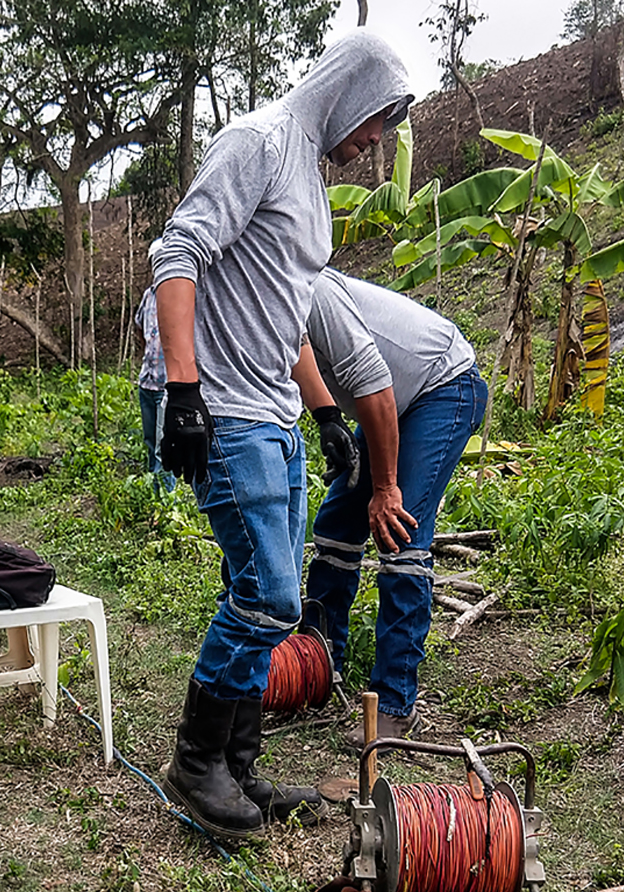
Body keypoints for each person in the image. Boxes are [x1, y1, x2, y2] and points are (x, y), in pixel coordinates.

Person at [150, 30, 412, 838]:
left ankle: (240, 765)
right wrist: (184, 391)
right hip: (225, 407)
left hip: (278, 411)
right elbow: (176, 254)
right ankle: (196, 764)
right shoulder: (258, 142)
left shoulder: (307, 172)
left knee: (261, 592)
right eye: (375, 122)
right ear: (347, 93)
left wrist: (327, 410)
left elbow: (286, 310)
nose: (374, 144)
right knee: (270, 596)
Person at [301, 270, 486, 745]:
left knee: (399, 531)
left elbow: (376, 388)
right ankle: (320, 667)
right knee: (336, 526)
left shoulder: (314, 293)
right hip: (388, 400)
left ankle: (396, 703)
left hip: (442, 386)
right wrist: (329, 423)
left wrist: (385, 488)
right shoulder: (269, 302)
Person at [133, 286, 173, 490]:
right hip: (147, 381)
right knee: (150, 442)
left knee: (164, 448)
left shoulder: (181, 292)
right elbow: (139, 326)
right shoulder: (149, 295)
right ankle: (153, 495)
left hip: (168, 386)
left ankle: (165, 504)